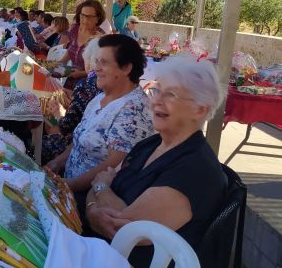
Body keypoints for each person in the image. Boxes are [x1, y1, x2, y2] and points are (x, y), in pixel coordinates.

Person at [84, 54, 226, 267]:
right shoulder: (150, 144)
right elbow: (98, 185)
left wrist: (102, 189)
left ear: (200, 109)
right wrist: (92, 210)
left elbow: (126, 230)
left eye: (170, 95)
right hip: (100, 249)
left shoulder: (195, 170)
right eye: (156, 90)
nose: (156, 101)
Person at [46, 34, 155, 194]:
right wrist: (57, 162)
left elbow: (112, 165)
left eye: (104, 62)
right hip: (68, 187)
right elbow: (80, 139)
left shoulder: (133, 109)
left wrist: (68, 187)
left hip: (90, 199)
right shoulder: (101, 97)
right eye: (97, 61)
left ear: (126, 68)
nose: (96, 68)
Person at [42, 38, 102, 164]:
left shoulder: (87, 84)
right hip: (89, 140)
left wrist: (59, 112)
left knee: (47, 120)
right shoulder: (102, 83)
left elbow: (66, 126)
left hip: (77, 145)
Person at [59, 0, 105, 87]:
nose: (85, 20)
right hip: (70, 79)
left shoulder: (100, 38)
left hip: (88, 85)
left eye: (89, 17)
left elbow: (101, 69)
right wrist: (57, 64)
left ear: (97, 18)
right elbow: (71, 50)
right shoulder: (75, 29)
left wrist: (81, 73)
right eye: (83, 15)